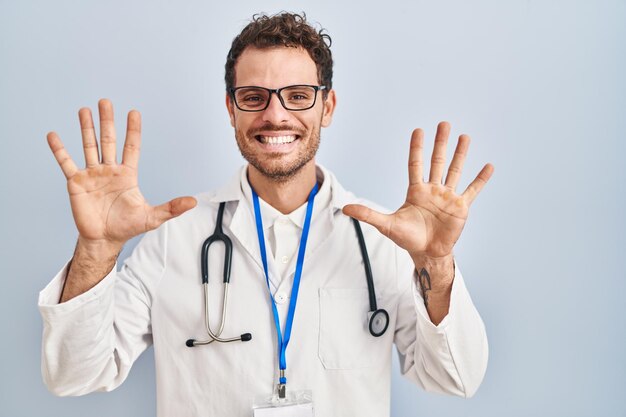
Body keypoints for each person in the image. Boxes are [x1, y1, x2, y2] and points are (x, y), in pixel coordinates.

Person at [39, 12, 494, 417]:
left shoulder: (384, 238)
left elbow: (456, 379)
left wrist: (434, 262)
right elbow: (74, 376)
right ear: (230, 109)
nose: (276, 116)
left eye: (297, 95)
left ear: (327, 107)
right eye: (254, 96)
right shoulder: (172, 239)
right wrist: (96, 252)